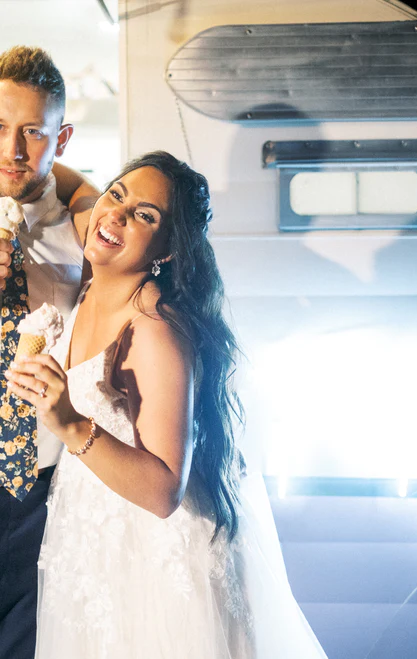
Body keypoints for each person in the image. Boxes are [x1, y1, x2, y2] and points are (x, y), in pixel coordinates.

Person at [6, 151, 327, 658]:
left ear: (167, 250)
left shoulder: (155, 329)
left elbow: (163, 491)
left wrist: (68, 423)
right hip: (90, 543)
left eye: (145, 216)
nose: (117, 215)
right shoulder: (92, 283)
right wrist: (32, 154)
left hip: (149, 559)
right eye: (116, 196)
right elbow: (64, 180)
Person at [0, 45, 99, 659]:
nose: (14, 149)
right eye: (0, 128)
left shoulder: (89, 230)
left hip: (41, 479)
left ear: (60, 139)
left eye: (33, 133)